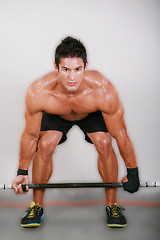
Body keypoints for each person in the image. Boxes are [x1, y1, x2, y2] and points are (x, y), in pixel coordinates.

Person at [12, 36, 140, 228]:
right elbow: (31, 135)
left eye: (77, 69)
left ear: (85, 66)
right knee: (45, 144)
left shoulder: (102, 90)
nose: (72, 77)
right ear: (56, 67)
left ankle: (112, 205)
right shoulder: (39, 92)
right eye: (66, 69)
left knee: (104, 143)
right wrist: (22, 172)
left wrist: (133, 172)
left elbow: (121, 134)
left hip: (89, 112)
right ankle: (36, 206)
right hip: (57, 113)